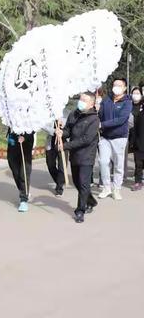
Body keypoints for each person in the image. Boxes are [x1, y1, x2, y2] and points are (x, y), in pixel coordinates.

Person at [57, 92, 99, 223]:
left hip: (87, 155)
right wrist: (61, 132)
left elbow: (86, 139)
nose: (81, 102)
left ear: (91, 103)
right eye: (80, 99)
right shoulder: (73, 114)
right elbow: (68, 131)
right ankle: (90, 200)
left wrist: (66, 146)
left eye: (84, 100)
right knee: (77, 182)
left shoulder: (94, 119)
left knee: (83, 182)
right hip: (75, 155)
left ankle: (80, 210)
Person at [98, 78, 132, 200]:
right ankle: (106, 187)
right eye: (114, 84)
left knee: (118, 165)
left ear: (124, 88)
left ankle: (116, 189)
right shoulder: (106, 100)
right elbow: (100, 115)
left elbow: (121, 120)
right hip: (105, 137)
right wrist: (98, 107)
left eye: (119, 85)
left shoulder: (127, 102)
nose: (116, 87)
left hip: (119, 138)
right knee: (103, 161)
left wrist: (103, 125)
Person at [6, 129, 34, 212]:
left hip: (26, 141)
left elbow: (35, 126)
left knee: (24, 171)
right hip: (13, 139)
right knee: (14, 168)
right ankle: (24, 190)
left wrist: (25, 137)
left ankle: (23, 200)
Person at [44, 120, 66, 196]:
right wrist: (54, 131)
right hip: (51, 142)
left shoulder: (66, 113)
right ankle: (59, 181)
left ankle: (59, 188)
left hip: (63, 142)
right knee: (50, 164)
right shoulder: (48, 115)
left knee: (62, 166)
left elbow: (71, 127)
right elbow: (43, 125)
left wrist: (63, 128)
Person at [131, 93, 144, 191]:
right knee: (138, 164)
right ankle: (138, 182)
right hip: (139, 144)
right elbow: (135, 129)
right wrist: (133, 141)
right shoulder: (140, 115)